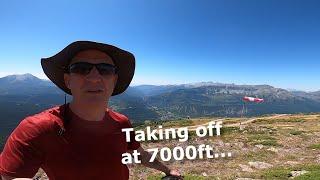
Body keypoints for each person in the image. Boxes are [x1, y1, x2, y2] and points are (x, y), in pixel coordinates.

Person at [0, 41, 182, 180]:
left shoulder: (122, 122)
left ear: (114, 80)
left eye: (105, 70)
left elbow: (139, 154)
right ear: (67, 80)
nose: (94, 77)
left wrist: (167, 170)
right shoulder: (37, 128)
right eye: (81, 69)